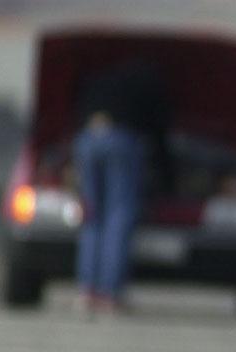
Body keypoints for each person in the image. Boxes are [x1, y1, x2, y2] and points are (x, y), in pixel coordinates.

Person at [73, 60, 170, 315]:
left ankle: (87, 290)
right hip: (121, 141)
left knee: (92, 214)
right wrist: (166, 173)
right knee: (119, 215)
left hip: (88, 138)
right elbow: (159, 131)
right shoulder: (147, 85)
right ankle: (110, 292)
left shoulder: (96, 81)